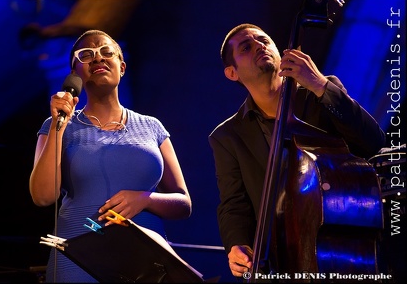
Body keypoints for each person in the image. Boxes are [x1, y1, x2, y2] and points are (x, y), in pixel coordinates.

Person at [208, 23, 386, 279]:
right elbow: (233, 204)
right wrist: (236, 245)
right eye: (247, 47)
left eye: (264, 40)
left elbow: (374, 143)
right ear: (232, 73)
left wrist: (321, 85)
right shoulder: (226, 137)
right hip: (279, 257)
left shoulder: (321, 94)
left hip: (337, 247)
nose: (259, 46)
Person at [29, 29, 192, 283]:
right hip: (76, 260)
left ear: (122, 67)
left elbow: (184, 204)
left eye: (106, 52)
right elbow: (42, 196)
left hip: (144, 262)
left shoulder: (151, 127)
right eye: (86, 55)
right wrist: (58, 125)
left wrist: (145, 199)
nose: (97, 58)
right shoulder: (58, 125)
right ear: (75, 73)